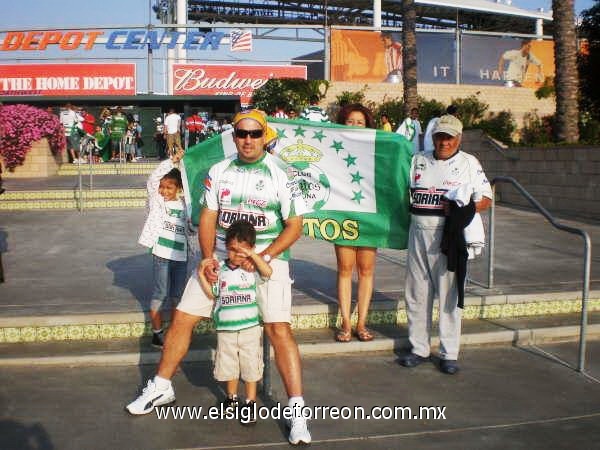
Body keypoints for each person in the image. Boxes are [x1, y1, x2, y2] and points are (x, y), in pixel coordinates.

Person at [126, 109, 312, 446]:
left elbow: (294, 224)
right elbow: (209, 216)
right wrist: (209, 257)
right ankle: (161, 386)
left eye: (255, 134)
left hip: (266, 258)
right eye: (242, 133)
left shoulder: (281, 173)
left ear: (265, 136)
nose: (248, 140)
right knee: (182, 317)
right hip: (224, 258)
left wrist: (263, 257)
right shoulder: (219, 170)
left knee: (279, 328)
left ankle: (297, 410)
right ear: (234, 136)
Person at [400, 114, 492, 375]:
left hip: (450, 237)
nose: (444, 142)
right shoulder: (418, 160)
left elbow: (485, 199)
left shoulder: (469, 163)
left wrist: (461, 208)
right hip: (418, 233)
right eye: (440, 136)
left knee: (450, 296)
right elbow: (401, 191)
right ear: (433, 137)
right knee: (417, 294)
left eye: (449, 137)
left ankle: (449, 352)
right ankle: (418, 348)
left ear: (459, 138)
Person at [197, 220, 272, 426]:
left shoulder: (252, 270)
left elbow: (268, 273)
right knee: (228, 365)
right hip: (226, 330)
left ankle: (250, 402)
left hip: (249, 330)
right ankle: (231, 398)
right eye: (232, 249)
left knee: (250, 367)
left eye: (243, 251)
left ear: (251, 250)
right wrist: (200, 272)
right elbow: (212, 294)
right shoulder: (219, 269)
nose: (237, 254)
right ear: (226, 247)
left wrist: (253, 256)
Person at [333, 104, 378, 343]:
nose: (355, 125)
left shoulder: (378, 149)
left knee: (366, 270)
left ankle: (361, 322)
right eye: (350, 121)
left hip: (370, 216)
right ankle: (346, 324)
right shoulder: (333, 148)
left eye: (360, 122)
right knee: (345, 269)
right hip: (344, 215)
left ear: (367, 125)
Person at [138, 148, 189, 349]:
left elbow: (191, 229)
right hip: (161, 254)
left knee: (177, 295)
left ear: (178, 189)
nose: (164, 191)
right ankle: (157, 333)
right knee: (160, 293)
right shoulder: (157, 203)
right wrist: (172, 161)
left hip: (181, 256)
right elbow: (153, 180)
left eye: (169, 188)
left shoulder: (186, 205)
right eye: (162, 187)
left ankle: (175, 332)